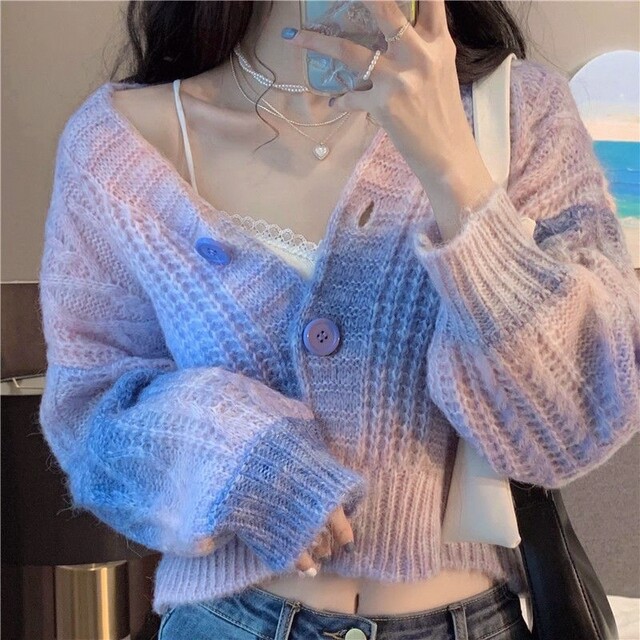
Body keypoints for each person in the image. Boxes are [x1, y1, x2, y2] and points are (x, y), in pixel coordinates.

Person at [38, 1, 639, 639]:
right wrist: (238, 456)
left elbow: (573, 426)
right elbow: (91, 417)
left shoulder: (522, 114)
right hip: (230, 622)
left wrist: (452, 168)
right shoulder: (120, 146)